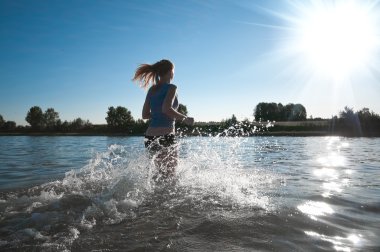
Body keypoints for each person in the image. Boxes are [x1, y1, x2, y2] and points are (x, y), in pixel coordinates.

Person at [132, 59, 194, 178]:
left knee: (156, 174)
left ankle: (154, 196)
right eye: (174, 71)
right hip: (165, 134)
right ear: (170, 71)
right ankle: (165, 197)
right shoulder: (172, 87)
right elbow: (166, 109)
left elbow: (145, 115)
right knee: (170, 175)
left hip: (149, 136)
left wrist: (157, 114)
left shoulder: (152, 89)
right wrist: (185, 118)